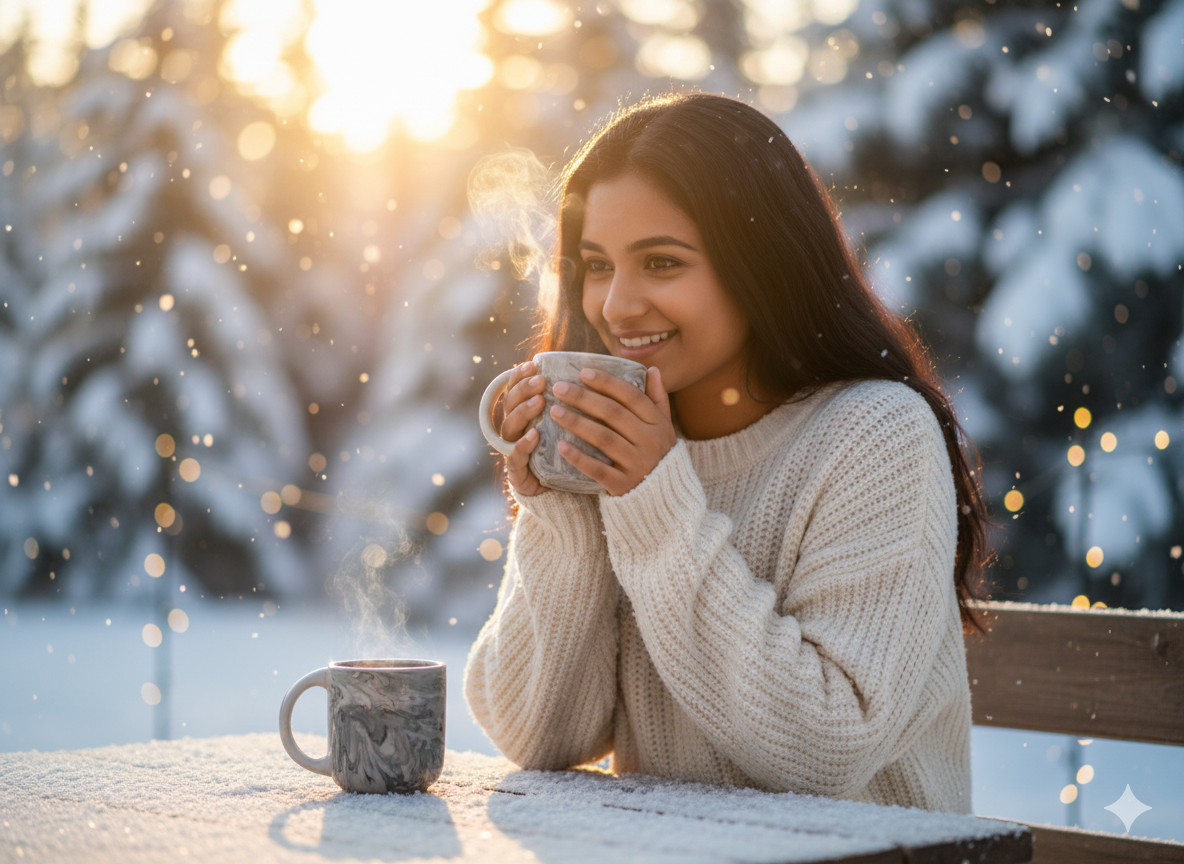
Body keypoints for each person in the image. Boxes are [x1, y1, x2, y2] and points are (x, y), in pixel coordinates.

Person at [463, 92, 990, 814]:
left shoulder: (876, 435)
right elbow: (541, 736)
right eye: (596, 265)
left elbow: (823, 747)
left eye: (661, 262)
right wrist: (566, 509)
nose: (615, 306)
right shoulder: (637, 442)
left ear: (761, 263)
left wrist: (653, 498)